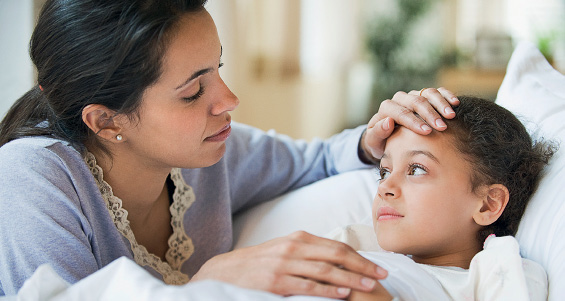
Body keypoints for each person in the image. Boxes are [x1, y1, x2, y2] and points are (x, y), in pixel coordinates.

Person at [0, 0, 459, 298]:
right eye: (192, 92)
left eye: (217, 68)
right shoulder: (32, 181)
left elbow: (314, 161)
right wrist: (210, 283)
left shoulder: (210, 157)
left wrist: (374, 135)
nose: (229, 100)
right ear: (105, 120)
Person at [331, 96, 555, 300]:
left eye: (416, 170)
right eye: (384, 172)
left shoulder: (497, 271)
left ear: (488, 204)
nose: (385, 187)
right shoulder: (353, 241)